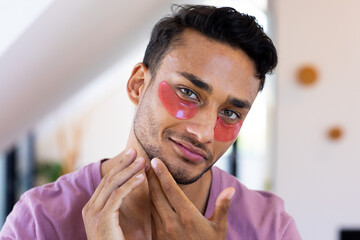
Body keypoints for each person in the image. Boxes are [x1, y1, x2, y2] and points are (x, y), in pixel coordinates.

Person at [0, 5, 301, 240]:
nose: (204, 133)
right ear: (137, 84)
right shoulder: (39, 221)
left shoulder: (270, 228)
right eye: (188, 93)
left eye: (231, 112)